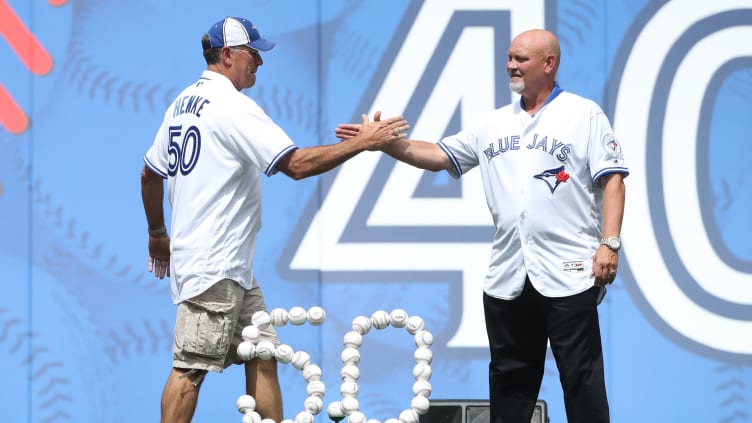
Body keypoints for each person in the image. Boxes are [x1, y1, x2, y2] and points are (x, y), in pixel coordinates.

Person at [336, 29, 627, 422]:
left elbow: (613, 180)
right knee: (510, 380)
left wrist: (609, 243)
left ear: (549, 63)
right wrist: (384, 143)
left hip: (570, 269)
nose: (511, 65)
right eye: (509, 57)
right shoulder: (491, 123)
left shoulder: (583, 114)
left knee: (581, 378)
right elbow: (439, 155)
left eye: (521, 58)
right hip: (509, 273)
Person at [140, 16, 408, 423]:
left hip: (231, 268)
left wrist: (158, 233)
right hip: (214, 265)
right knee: (190, 367)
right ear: (227, 55)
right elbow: (296, 165)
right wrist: (364, 142)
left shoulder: (182, 103)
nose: (259, 64)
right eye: (253, 54)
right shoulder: (233, 107)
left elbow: (149, 173)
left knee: (263, 353)